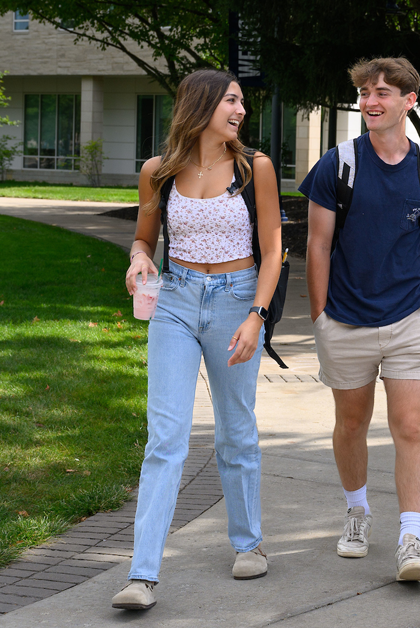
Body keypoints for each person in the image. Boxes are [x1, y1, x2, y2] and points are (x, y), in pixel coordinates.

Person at [111, 69, 283, 610]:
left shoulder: (255, 169)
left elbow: (274, 249)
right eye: (231, 101)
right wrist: (139, 260)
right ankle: (142, 576)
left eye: (241, 102)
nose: (241, 110)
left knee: (237, 429)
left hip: (237, 302)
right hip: (177, 303)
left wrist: (256, 316)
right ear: (203, 104)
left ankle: (248, 544)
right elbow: (144, 238)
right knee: (166, 436)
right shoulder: (157, 172)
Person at [301, 57, 420, 582]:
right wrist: (320, 315)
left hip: (412, 317)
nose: (371, 101)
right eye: (366, 92)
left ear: (410, 101)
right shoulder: (338, 164)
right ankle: (357, 512)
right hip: (345, 318)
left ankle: (411, 537)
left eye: (383, 92)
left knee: (410, 426)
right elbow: (317, 244)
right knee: (351, 424)